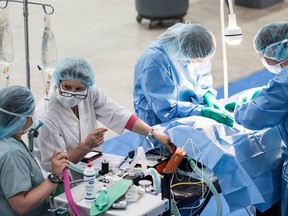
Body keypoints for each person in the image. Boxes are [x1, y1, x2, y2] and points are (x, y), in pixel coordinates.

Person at [34, 56, 174, 172]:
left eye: (79, 89)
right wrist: (86, 146)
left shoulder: (90, 92)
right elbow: (56, 165)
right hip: (59, 179)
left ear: (87, 86)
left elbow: (118, 114)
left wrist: (153, 133)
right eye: (67, 87)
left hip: (90, 165)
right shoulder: (47, 116)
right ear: (58, 82)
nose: (72, 93)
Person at [233, 21, 288, 216]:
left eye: (264, 54)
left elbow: (252, 118)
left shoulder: (283, 83)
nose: (261, 58)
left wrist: (240, 108)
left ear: (275, 50)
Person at [133, 21, 233, 127]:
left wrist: (207, 95)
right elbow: (165, 108)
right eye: (197, 61)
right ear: (188, 59)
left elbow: (202, 76)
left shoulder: (196, 48)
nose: (200, 64)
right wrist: (203, 112)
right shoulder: (154, 62)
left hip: (189, 113)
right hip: (159, 123)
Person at [0, 86, 69, 216]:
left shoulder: (7, 140)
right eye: (32, 113)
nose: (33, 117)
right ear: (21, 118)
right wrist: (54, 177)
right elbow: (21, 206)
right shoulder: (12, 154)